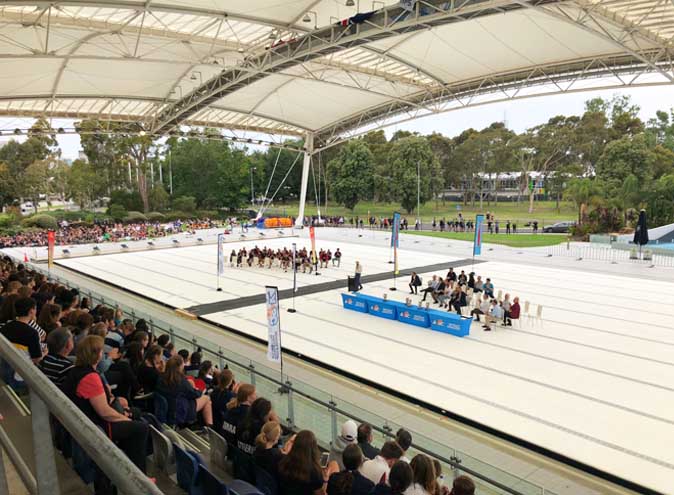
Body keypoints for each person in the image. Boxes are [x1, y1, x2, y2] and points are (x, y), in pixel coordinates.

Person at [61, 335, 149, 474]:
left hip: (88, 418)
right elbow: (105, 412)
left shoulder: (77, 370)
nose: (104, 354)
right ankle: (140, 475)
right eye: (102, 351)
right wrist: (125, 418)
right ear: (95, 354)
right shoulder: (90, 377)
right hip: (97, 425)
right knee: (141, 427)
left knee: (139, 415)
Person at [156, 355, 213, 427]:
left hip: (165, 412)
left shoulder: (161, 378)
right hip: (178, 413)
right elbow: (195, 394)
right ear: (180, 366)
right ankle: (210, 427)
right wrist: (197, 389)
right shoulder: (181, 382)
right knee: (207, 399)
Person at [278, 430, 338, 495]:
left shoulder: (283, 462)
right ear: (313, 448)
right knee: (334, 464)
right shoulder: (315, 472)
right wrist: (325, 480)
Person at [0, 297, 44, 387]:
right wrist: (45, 353)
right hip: (18, 376)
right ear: (31, 311)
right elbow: (36, 359)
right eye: (35, 308)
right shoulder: (32, 333)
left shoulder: (6, 327)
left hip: (4, 370)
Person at [210, 368, 236, 438]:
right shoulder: (231, 396)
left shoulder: (214, 391)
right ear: (230, 382)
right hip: (221, 425)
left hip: (214, 421)